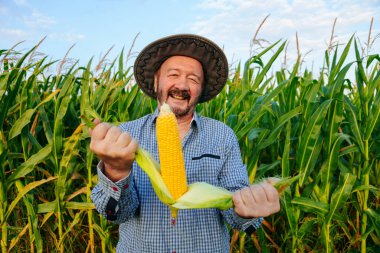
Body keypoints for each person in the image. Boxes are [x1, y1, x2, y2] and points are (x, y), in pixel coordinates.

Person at [90, 34, 280, 253]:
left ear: (200, 90)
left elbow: (238, 217)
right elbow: (115, 215)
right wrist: (116, 171)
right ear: (155, 82)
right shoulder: (125, 135)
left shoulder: (222, 135)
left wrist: (249, 209)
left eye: (193, 79)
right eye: (173, 74)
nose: (182, 84)